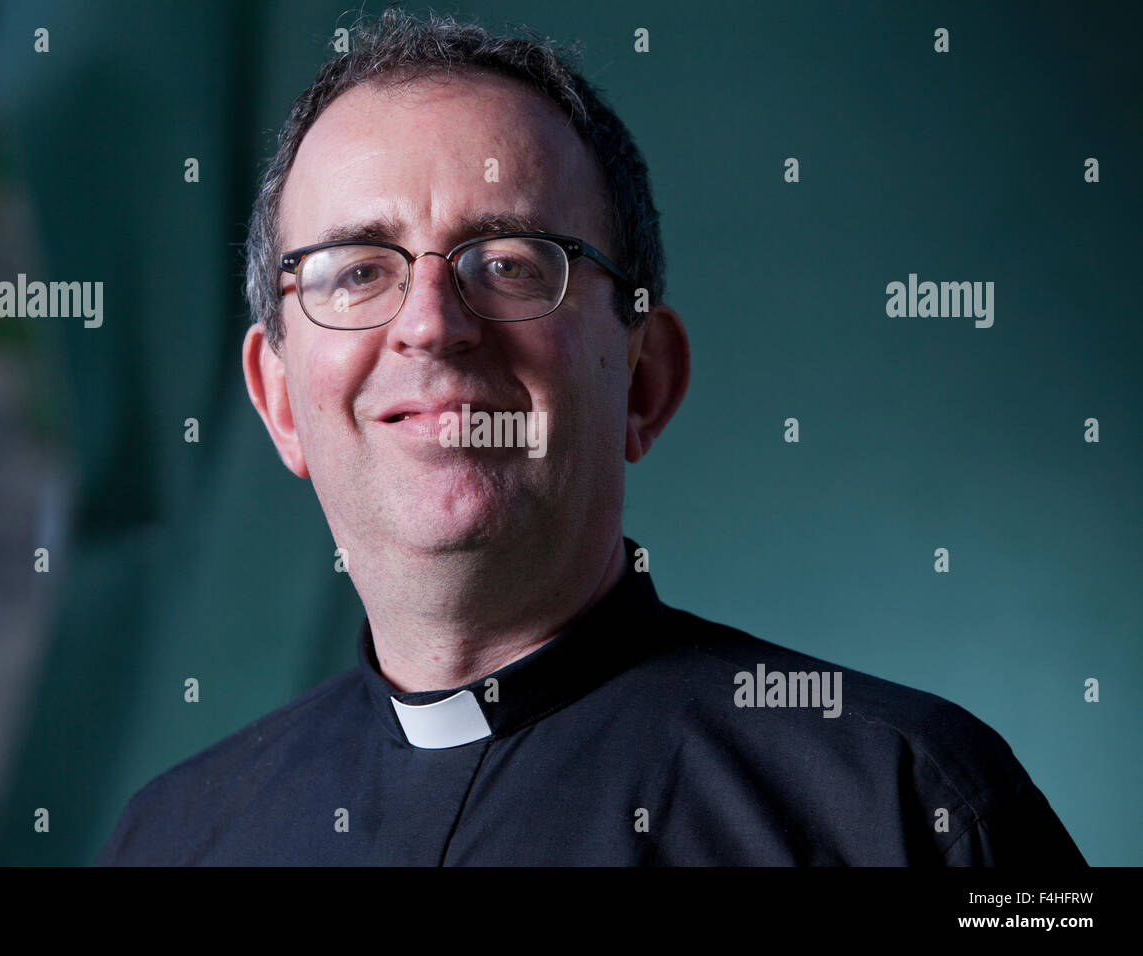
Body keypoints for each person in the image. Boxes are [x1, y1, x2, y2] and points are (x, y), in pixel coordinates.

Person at [97, 9, 1085, 866]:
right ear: (278, 402)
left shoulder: (914, 805)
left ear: (644, 379)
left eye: (512, 263)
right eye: (356, 270)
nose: (431, 322)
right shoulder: (172, 838)